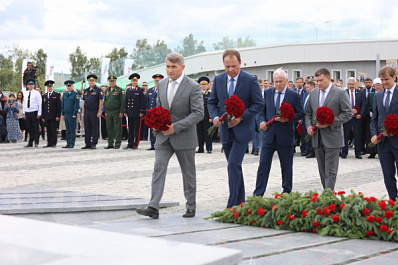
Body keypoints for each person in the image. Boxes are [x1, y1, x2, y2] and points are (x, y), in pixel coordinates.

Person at [136, 53, 204, 219]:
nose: (170, 70)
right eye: (168, 66)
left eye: (174, 67)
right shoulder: (162, 84)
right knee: (158, 169)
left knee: (188, 173)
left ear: (182, 67)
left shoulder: (193, 86)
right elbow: (160, 108)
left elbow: (198, 113)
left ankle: (190, 206)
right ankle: (153, 206)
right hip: (163, 136)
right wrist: (157, 124)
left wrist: (177, 127)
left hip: (184, 136)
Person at [208, 49, 264, 208]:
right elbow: (212, 102)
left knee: (233, 164)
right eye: (227, 66)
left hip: (243, 130)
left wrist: (242, 116)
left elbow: (259, 104)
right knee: (234, 167)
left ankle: (232, 205)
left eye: (233, 66)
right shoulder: (218, 80)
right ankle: (240, 203)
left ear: (240, 63)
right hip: (225, 130)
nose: (230, 70)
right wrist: (216, 118)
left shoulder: (250, 80)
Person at [253, 69, 304, 196]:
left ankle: (286, 192)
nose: (278, 84)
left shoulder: (293, 95)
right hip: (268, 136)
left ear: (286, 81)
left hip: (285, 136)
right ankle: (258, 194)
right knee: (263, 166)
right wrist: (262, 121)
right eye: (276, 82)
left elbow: (300, 113)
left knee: (286, 167)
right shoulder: (268, 93)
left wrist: (288, 119)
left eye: (281, 81)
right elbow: (262, 111)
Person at [305, 68, 351, 190]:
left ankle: (328, 196)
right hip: (317, 137)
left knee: (330, 170)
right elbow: (308, 113)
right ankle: (327, 194)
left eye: (321, 80)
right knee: (322, 170)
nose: (318, 83)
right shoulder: (313, 93)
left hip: (332, 136)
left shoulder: (340, 93)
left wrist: (330, 122)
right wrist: (309, 126)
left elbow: (347, 113)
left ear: (329, 79)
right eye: (316, 81)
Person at [370, 65, 398, 200]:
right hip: (383, 144)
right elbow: (374, 118)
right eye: (382, 80)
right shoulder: (378, 95)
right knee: (388, 176)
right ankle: (393, 201)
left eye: (387, 79)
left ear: (394, 77)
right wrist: (374, 134)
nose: (384, 82)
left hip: (397, 141)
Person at [341, 77, 366, 159]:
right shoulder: (344, 93)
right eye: (350, 84)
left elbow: (364, 104)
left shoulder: (360, 92)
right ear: (347, 85)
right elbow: (342, 105)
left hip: (357, 118)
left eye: (353, 84)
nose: (351, 86)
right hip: (347, 118)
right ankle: (344, 152)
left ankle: (358, 153)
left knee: (358, 135)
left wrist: (361, 114)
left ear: (355, 84)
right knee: (346, 135)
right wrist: (349, 110)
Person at [124, 73, 145, 149]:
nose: (135, 82)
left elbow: (142, 101)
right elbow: (126, 101)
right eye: (133, 81)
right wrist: (125, 110)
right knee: (130, 128)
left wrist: (141, 111)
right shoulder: (128, 90)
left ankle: (136, 143)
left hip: (137, 112)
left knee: (137, 129)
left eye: (136, 81)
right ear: (131, 81)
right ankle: (130, 143)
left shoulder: (140, 90)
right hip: (130, 112)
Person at [82, 74, 103, 149]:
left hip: (94, 111)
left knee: (94, 127)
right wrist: (83, 112)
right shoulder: (86, 90)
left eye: (93, 81)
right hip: (87, 111)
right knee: (87, 127)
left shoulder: (98, 90)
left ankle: (94, 143)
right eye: (90, 81)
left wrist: (100, 111)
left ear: (95, 81)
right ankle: (87, 143)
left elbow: (101, 101)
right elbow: (84, 101)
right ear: (88, 81)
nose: (91, 82)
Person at [103, 76, 124, 149]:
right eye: (110, 81)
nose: (112, 82)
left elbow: (122, 102)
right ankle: (110, 143)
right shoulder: (107, 90)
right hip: (108, 112)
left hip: (116, 111)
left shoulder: (119, 90)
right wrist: (105, 110)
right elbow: (105, 101)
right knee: (109, 128)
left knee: (117, 128)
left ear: (115, 81)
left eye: (113, 81)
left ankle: (117, 143)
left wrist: (121, 111)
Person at [41, 80, 61, 148]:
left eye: (50, 86)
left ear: (53, 87)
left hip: (54, 115)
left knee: (53, 130)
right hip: (47, 115)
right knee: (48, 130)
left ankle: (54, 142)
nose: (49, 88)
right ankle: (49, 142)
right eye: (48, 87)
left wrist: (58, 115)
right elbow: (43, 107)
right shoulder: (44, 96)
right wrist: (43, 116)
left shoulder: (57, 95)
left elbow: (58, 106)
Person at [146, 74, 163, 150]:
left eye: (159, 81)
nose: (157, 82)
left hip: (160, 113)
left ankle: (160, 144)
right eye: (156, 81)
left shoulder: (164, 90)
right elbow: (148, 102)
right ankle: (152, 144)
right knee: (152, 129)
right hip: (152, 113)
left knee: (160, 129)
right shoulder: (150, 90)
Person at [23, 78, 42, 147]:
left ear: (33, 85)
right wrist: (24, 113)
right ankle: (30, 142)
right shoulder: (26, 93)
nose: (30, 86)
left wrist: (39, 113)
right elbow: (24, 103)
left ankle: (36, 142)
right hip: (28, 112)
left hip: (34, 112)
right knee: (29, 127)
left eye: (32, 84)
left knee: (36, 127)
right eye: (29, 84)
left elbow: (39, 103)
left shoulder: (36, 93)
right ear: (27, 86)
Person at [61, 80, 80, 148]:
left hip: (72, 114)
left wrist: (74, 113)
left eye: (70, 86)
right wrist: (63, 114)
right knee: (67, 129)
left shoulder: (75, 94)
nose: (69, 87)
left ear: (72, 86)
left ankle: (72, 143)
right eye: (67, 86)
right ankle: (68, 142)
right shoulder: (65, 94)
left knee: (72, 129)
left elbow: (76, 105)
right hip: (66, 114)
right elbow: (63, 104)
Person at [196, 76, 212, 154]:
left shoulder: (210, 94)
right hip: (198, 117)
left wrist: (210, 116)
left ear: (208, 85)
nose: (203, 86)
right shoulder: (196, 94)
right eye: (202, 84)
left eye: (205, 84)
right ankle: (200, 148)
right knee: (199, 133)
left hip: (207, 117)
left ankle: (208, 148)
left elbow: (212, 106)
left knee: (207, 133)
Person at [300, 80, 316, 158]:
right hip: (304, 118)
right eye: (306, 87)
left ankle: (311, 151)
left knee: (310, 135)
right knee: (305, 135)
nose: (306, 89)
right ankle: (306, 149)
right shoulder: (305, 95)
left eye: (308, 87)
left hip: (311, 118)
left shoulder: (315, 95)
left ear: (313, 87)